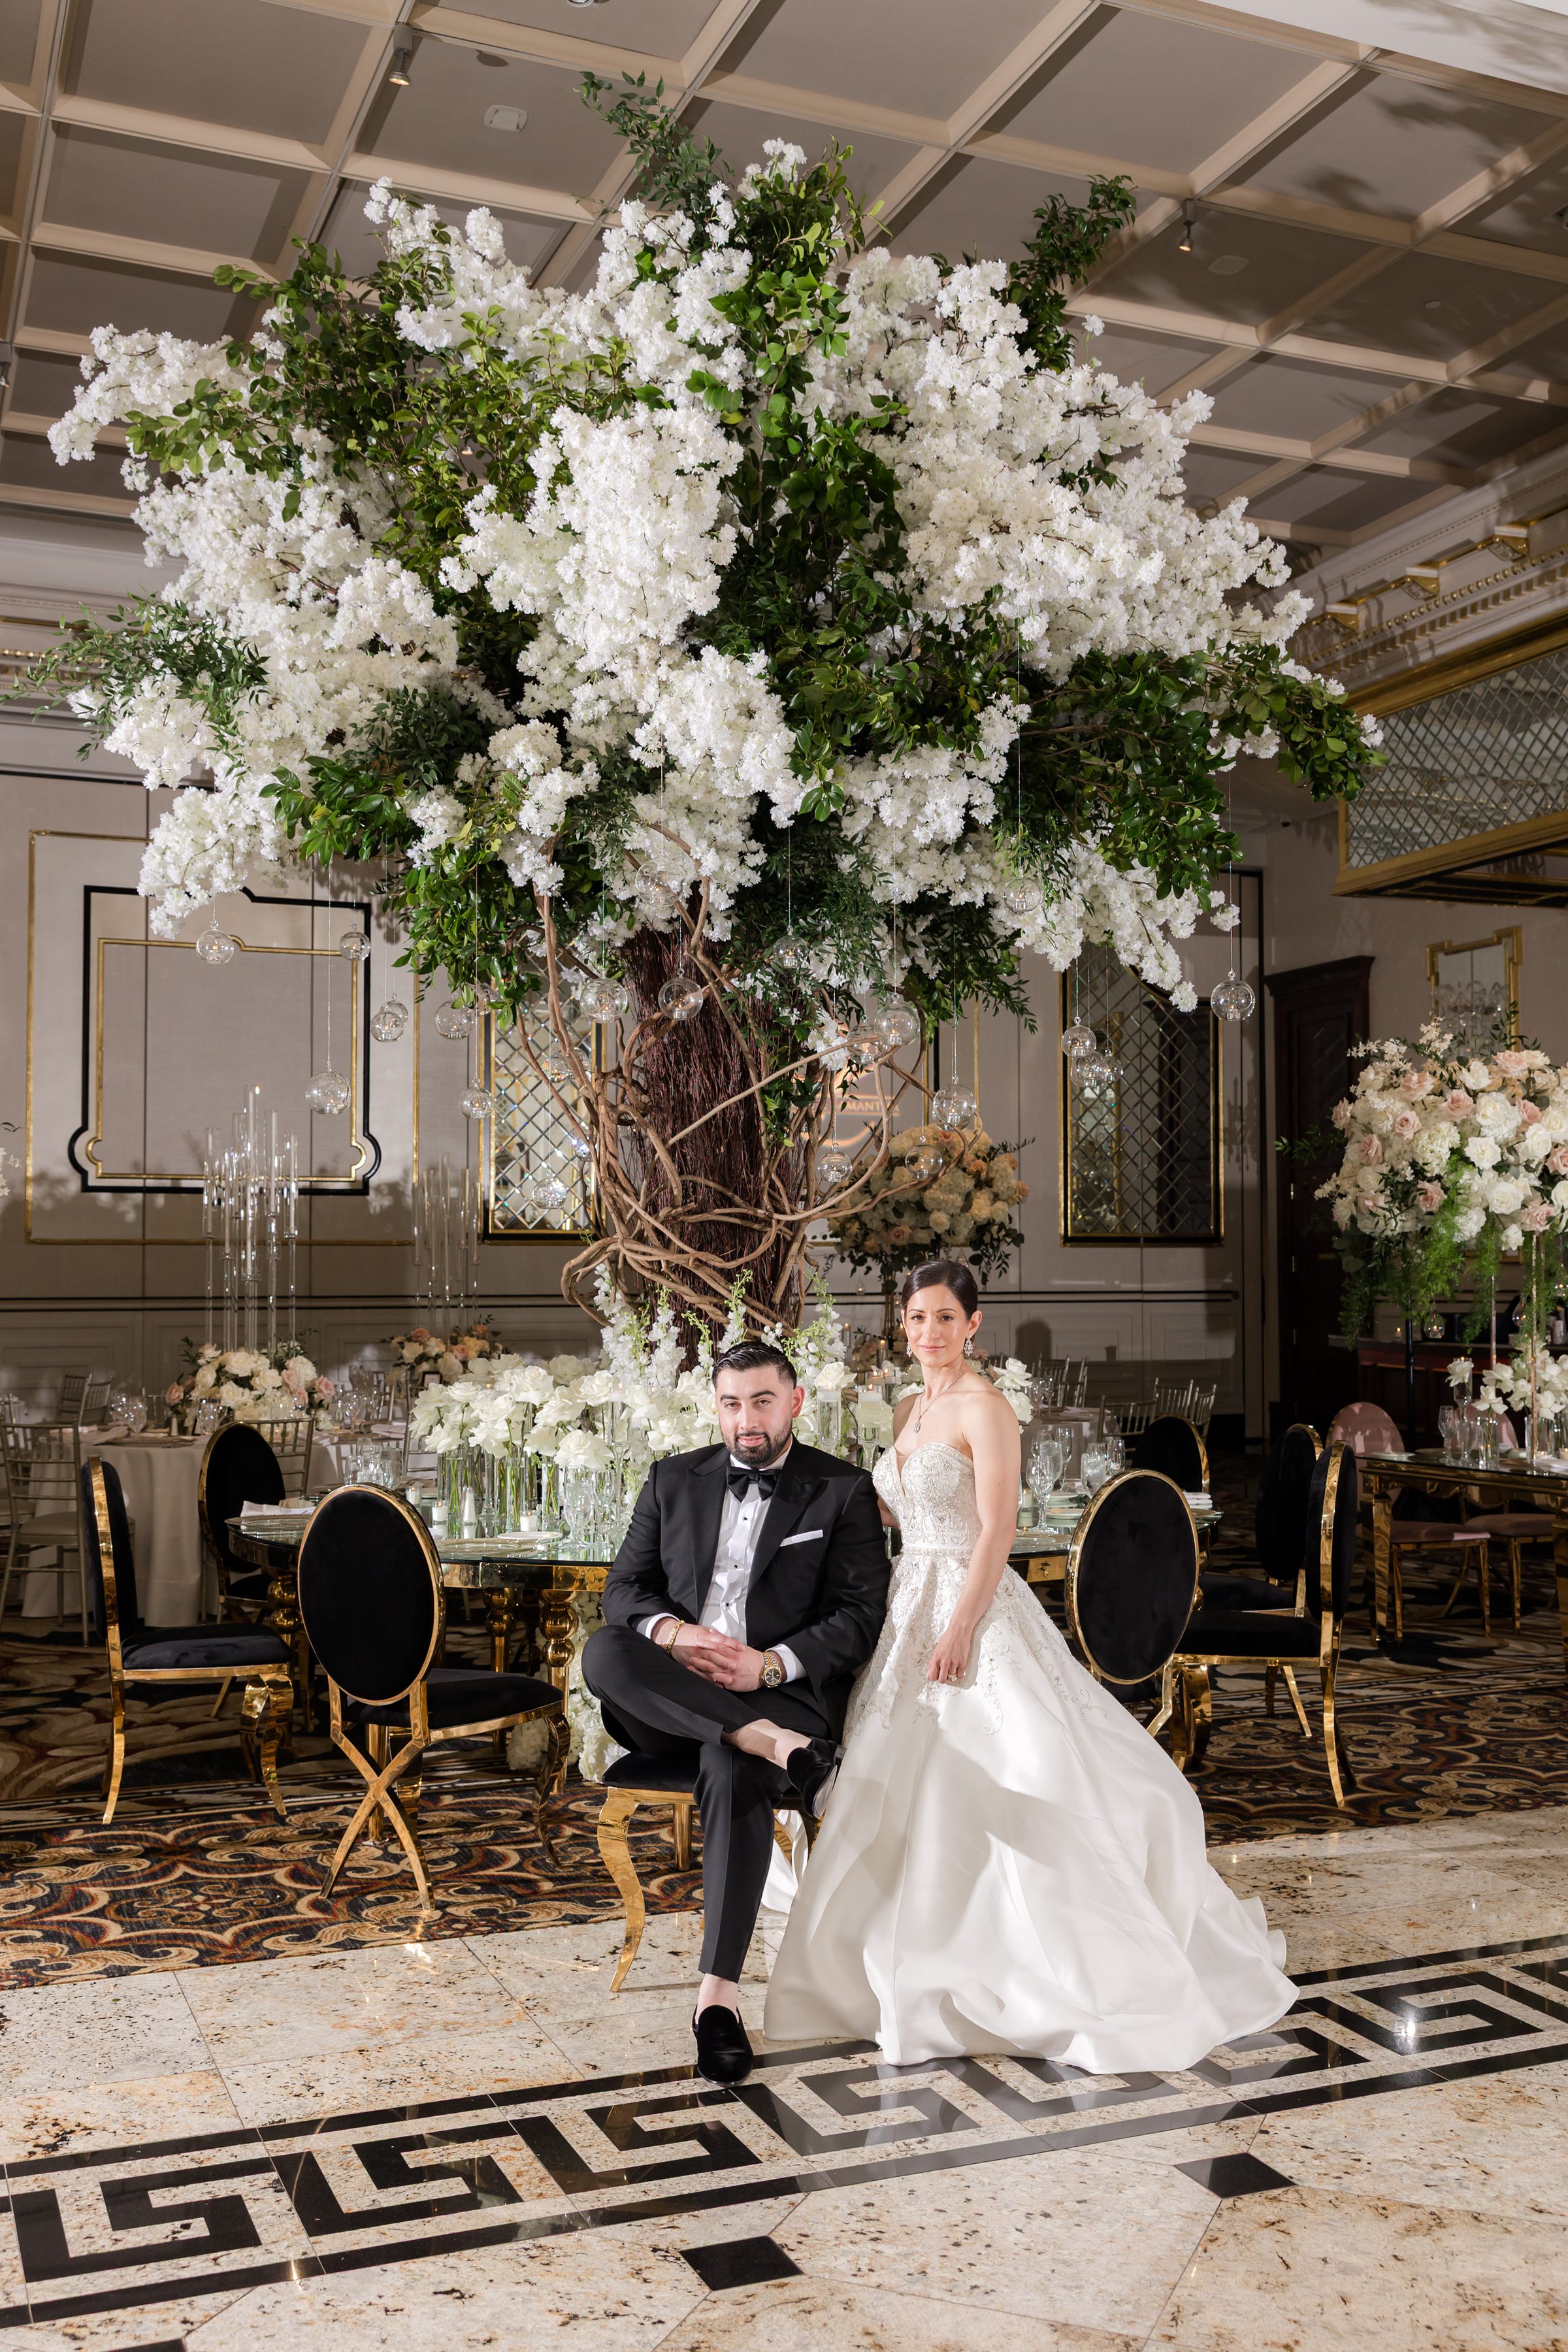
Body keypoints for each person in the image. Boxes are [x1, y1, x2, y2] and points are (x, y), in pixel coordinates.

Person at [764, 1260, 1296, 2072]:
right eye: (916, 1319)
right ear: (901, 1327)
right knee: (902, 1780)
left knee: (1023, 1765)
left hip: (968, 1606)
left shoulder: (986, 1409)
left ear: (973, 1325)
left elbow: (995, 1531)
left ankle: (1046, 1959)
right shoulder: (909, 1407)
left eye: (945, 1318)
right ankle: (897, 1954)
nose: (929, 1333)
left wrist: (962, 1627)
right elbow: (887, 1506)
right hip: (908, 1599)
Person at [582, 1339, 887, 2085]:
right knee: (606, 1652)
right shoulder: (671, 1480)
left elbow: (861, 1616)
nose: (746, 1419)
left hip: (776, 1685)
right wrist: (677, 1636)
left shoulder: (841, 1490)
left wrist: (770, 1664)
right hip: (676, 1697)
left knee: (729, 1763)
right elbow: (623, 1590)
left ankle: (715, 1999)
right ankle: (778, 1747)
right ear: (713, 1407)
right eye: (730, 1402)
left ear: (795, 1403)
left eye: (761, 1401)